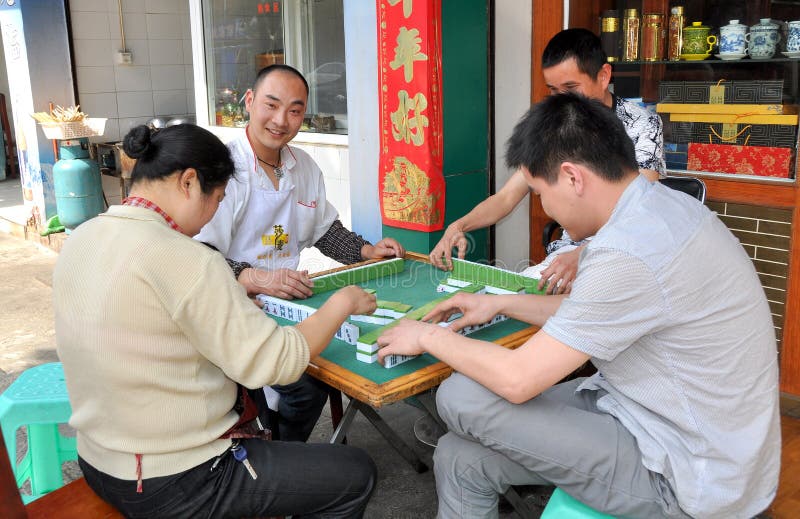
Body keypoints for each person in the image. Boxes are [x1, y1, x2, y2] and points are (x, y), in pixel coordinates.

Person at [377, 93, 780, 518]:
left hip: (687, 469)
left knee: (462, 398)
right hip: (649, 412)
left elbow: (519, 380)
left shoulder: (630, 249)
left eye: (538, 193)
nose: (543, 206)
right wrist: (498, 304)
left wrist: (425, 334)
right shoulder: (656, 208)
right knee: (459, 456)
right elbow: (592, 315)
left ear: (572, 177)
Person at [53, 124, 378, 518]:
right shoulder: (188, 258)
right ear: (189, 182)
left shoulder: (82, 238)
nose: (213, 214)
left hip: (98, 460)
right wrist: (342, 303)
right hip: (177, 479)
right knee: (355, 472)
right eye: (217, 199)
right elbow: (275, 362)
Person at [195, 64, 405, 442]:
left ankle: (279, 443)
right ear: (249, 102)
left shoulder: (304, 166)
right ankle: (279, 449)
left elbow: (325, 231)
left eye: (294, 110)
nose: (281, 120)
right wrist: (255, 278)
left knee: (333, 359)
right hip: (238, 308)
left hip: (291, 304)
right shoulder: (224, 168)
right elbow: (198, 255)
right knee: (306, 385)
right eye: (271, 105)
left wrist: (366, 250)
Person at [430, 28, 665, 295]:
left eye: (571, 88)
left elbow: (640, 207)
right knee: (507, 298)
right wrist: (459, 225)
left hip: (624, 252)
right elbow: (507, 197)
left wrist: (584, 254)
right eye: (553, 90)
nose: (562, 99)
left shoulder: (641, 124)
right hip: (567, 256)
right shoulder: (556, 125)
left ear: (603, 76)